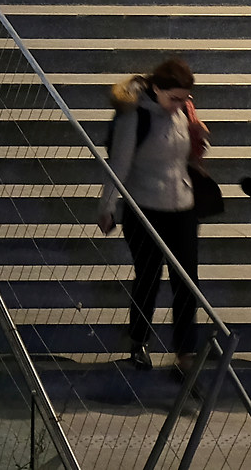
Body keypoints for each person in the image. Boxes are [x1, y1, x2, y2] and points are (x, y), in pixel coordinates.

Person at [100, 57, 212, 371]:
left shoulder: (182, 110)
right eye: (173, 98)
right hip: (144, 208)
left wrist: (196, 136)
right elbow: (118, 164)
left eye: (184, 98)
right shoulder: (134, 116)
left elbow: (184, 156)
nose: (179, 104)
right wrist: (107, 206)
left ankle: (185, 352)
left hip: (182, 206)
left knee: (187, 281)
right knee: (148, 277)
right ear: (157, 89)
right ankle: (139, 341)